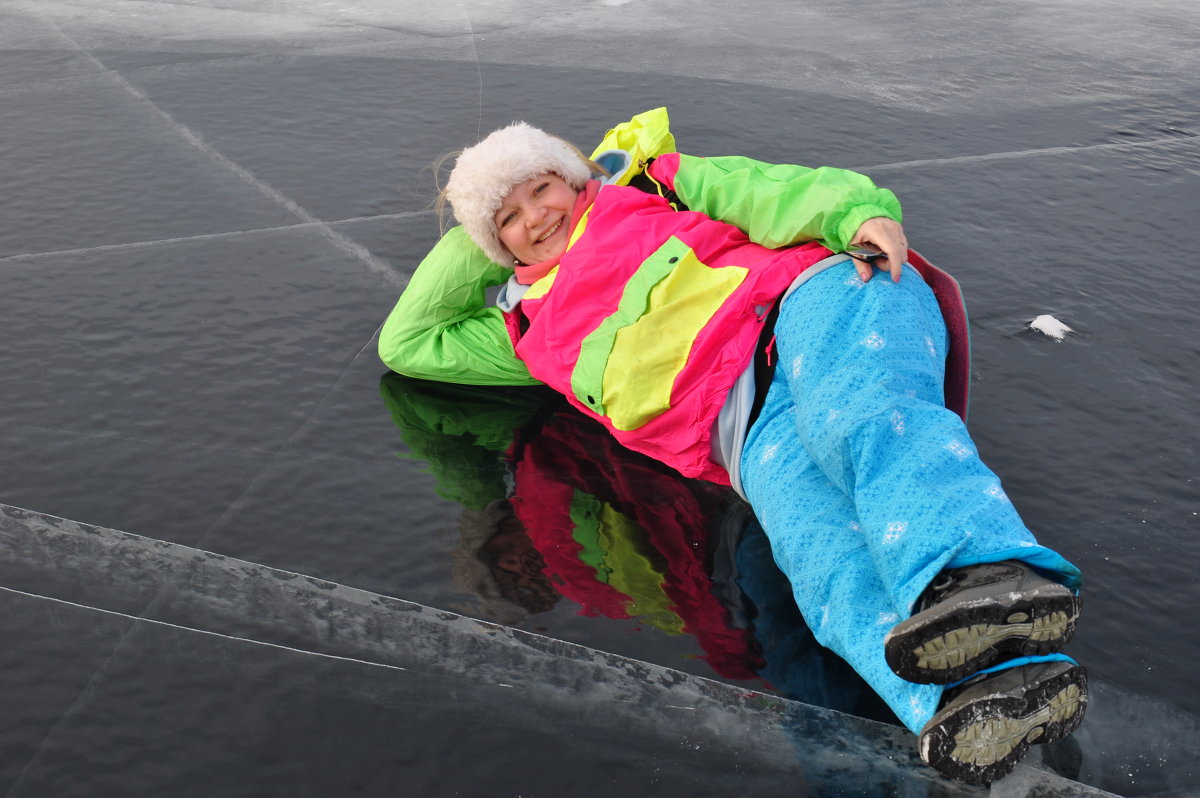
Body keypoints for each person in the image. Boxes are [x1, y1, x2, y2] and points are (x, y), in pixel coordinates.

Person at [378, 107, 1087, 785]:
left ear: (574, 177)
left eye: (543, 187)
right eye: (510, 219)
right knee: (821, 566)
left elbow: (766, 189)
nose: (537, 215)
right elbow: (408, 341)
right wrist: (474, 224)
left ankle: (991, 576)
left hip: (811, 306)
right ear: (493, 246)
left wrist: (855, 214)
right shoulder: (524, 333)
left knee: (856, 421)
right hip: (747, 430)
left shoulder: (651, 185)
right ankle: (972, 705)